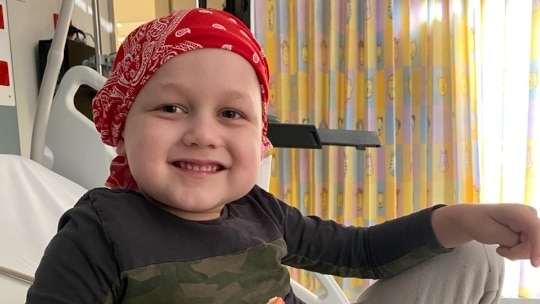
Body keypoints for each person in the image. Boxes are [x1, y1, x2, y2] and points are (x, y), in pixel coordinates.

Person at [26, 8, 540, 304]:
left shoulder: (260, 210)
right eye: (172, 107)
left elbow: (360, 253)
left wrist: (466, 218)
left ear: (260, 136)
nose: (204, 133)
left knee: (471, 257)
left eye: (232, 114)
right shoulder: (102, 230)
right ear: (120, 129)